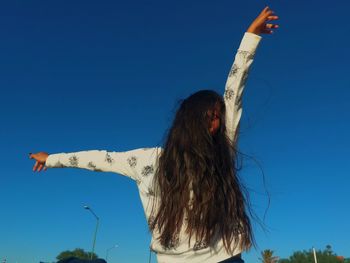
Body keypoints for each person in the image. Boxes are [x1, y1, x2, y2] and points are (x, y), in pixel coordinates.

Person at [30, 7, 278, 263]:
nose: (216, 124)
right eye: (210, 117)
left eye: (219, 118)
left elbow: (234, 92)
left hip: (225, 258)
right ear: (190, 121)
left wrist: (250, 38)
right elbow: (101, 159)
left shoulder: (221, 152)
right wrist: (51, 159)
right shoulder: (150, 161)